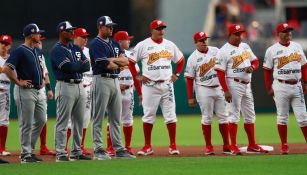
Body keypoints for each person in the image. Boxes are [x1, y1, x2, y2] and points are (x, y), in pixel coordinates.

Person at [128, 19, 185, 156]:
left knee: (171, 116)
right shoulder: (143, 45)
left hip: (166, 84)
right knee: (148, 116)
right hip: (150, 85)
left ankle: (173, 145)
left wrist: (177, 74)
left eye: (163, 28)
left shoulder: (169, 45)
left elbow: (181, 60)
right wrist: (138, 76)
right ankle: (147, 146)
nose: (161, 31)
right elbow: (131, 62)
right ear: (152, 30)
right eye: (158, 29)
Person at [214, 24, 268, 155]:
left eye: (240, 34)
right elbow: (220, 72)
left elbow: (255, 61)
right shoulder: (223, 51)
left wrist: (253, 68)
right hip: (233, 83)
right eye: (236, 34)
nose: (239, 36)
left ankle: (252, 144)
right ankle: (233, 145)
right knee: (234, 115)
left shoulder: (245, 46)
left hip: (247, 84)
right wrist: (225, 90)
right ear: (230, 35)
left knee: (250, 115)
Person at [89, 16, 135, 160]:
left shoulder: (115, 44)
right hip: (101, 80)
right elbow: (107, 65)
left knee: (116, 118)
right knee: (98, 117)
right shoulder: (95, 44)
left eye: (111, 26)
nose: (111, 28)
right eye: (108, 26)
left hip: (115, 80)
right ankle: (98, 150)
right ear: (100, 27)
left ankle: (119, 150)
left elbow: (125, 61)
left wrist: (112, 60)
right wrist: (115, 61)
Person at [2, 23, 46, 163]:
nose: (40, 35)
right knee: (26, 123)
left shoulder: (37, 50)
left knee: (41, 120)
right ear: (31, 35)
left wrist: (43, 81)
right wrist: (18, 81)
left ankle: (29, 150)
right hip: (25, 90)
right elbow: (7, 68)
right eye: (38, 33)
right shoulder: (20, 51)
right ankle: (26, 154)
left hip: (38, 90)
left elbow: (40, 68)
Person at [263, 23, 307, 154]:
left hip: (297, 85)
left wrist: (306, 82)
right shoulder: (271, 50)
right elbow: (267, 70)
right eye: (285, 31)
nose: (288, 33)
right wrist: (268, 87)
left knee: (303, 117)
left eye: (289, 31)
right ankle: (284, 145)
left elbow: (304, 65)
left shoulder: (297, 46)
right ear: (278, 34)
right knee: (282, 117)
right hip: (280, 85)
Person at [51, 21, 91, 162]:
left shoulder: (75, 47)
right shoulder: (57, 49)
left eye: (72, 30)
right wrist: (77, 66)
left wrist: (76, 66)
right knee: (63, 121)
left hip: (80, 85)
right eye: (69, 30)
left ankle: (76, 151)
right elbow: (67, 68)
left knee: (79, 121)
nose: (72, 32)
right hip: (65, 86)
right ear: (62, 32)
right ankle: (61, 152)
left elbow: (87, 65)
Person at [184, 32, 230, 155]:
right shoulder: (192, 58)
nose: (204, 42)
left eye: (205, 39)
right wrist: (190, 97)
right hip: (203, 89)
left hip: (218, 87)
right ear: (196, 43)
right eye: (201, 40)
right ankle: (209, 146)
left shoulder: (216, 51)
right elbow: (189, 79)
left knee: (224, 117)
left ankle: (226, 145)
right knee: (207, 118)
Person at [105, 31, 140, 156]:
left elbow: (136, 73)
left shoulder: (130, 55)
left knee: (128, 120)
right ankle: (110, 147)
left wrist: (139, 92)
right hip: (116, 90)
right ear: (120, 41)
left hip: (129, 90)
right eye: (127, 39)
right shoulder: (110, 54)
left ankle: (127, 147)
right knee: (113, 119)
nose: (129, 41)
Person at [64, 27, 92, 155]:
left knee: (85, 118)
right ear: (75, 37)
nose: (86, 39)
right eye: (83, 37)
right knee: (68, 120)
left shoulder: (89, 51)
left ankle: (80, 146)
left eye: (86, 37)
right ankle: (63, 147)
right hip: (73, 86)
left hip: (88, 87)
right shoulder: (68, 50)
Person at [33, 37, 56, 156]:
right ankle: (26, 148)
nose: (40, 43)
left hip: (41, 89)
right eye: (38, 41)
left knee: (43, 118)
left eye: (41, 41)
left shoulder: (41, 56)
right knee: (27, 121)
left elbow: (45, 73)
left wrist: (49, 89)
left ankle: (43, 147)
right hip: (29, 90)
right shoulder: (27, 54)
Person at [0, 35, 12, 156]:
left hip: (5, 90)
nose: (3, 45)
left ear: (10, 46)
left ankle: (2, 148)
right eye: (2, 43)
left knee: (4, 120)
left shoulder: (11, 59)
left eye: (6, 43)